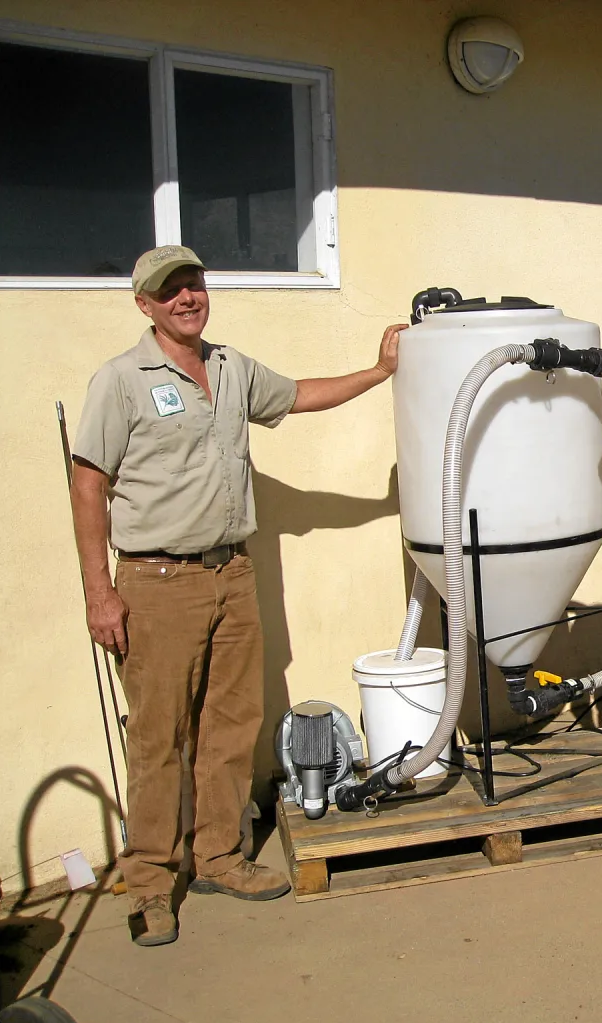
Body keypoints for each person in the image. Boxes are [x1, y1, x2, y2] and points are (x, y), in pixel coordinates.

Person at [70, 244, 408, 946]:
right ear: (145, 306)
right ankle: (152, 887)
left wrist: (380, 372)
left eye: (193, 283)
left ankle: (219, 855)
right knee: (160, 737)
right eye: (170, 291)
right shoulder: (122, 380)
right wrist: (99, 592)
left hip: (231, 574)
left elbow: (300, 395)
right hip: (157, 581)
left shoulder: (229, 367)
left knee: (231, 724)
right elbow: (88, 484)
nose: (186, 297)